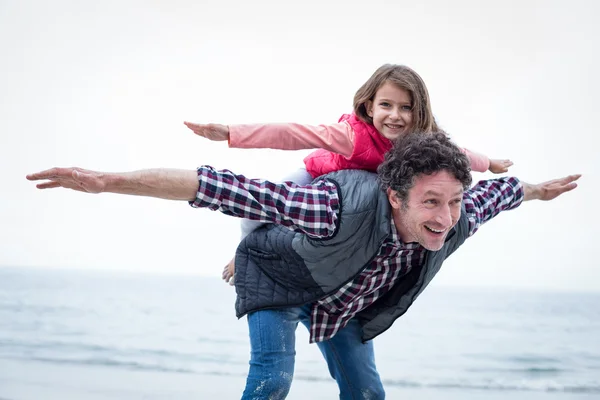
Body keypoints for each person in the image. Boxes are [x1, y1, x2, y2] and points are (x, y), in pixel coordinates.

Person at [26, 132, 579, 399]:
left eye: (454, 201)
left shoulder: (457, 213)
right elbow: (223, 187)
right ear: (395, 197)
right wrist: (107, 182)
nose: (446, 216)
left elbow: (503, 192)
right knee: (274, 379)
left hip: (344, 301)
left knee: (367, 391)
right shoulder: (334, 207)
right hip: (281, 277)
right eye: (431, 202)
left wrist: (538, 190)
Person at [184, 64, 514, 285]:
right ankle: (242, 255)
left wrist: (491, 163)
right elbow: (294, 133)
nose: (395, 116)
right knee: (255, 209)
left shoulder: (422, 144)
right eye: (386, 105)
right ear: (370, 107)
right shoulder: (352, 135)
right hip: (315, 177)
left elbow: (460, 154)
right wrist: (230, 133)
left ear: (419, 111)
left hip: (359, 200)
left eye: (406, 107)